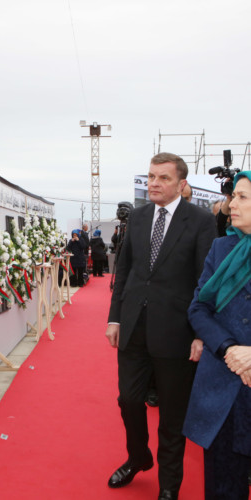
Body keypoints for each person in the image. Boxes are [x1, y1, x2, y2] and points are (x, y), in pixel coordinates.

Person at [105, 152, 216, 500]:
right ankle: (138, 458)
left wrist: (201, 333)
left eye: (163, 178)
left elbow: (206, 281)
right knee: (129, 400)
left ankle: (169, 486)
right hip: (134, 326)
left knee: (171, 415)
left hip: (177, 332)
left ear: (181, 184)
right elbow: (124, 271)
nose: (154, 183)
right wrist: (115, 316)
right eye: (151, 176)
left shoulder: (199, 222)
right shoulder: (136, 219)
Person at [183, 170, 251, 499]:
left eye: (241, 197)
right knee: (223, 486)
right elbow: (199, 308)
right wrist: (229, 349)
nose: (231, 204)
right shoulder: (221, 248)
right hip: (224, 387)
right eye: (232, 196)